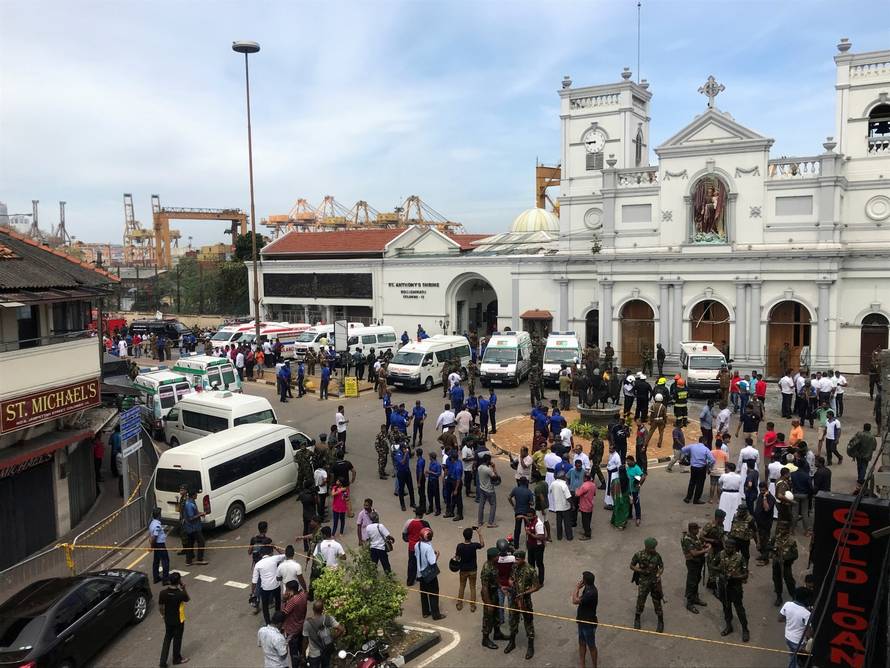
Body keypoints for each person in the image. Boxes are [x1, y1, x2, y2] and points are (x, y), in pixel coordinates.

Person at [504, 549, 540, 659]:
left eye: (517, 559)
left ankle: (530, 646)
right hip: (514, 597)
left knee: (528, 621)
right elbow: (510, 577)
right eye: (515, 559)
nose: (515, 561)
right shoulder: (514, 567)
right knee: (512, 620)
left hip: (525, 600)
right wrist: (510, 582)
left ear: (523, 559)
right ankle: (512, 641)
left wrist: (524, 593)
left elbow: (537, 586)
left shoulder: (530, 570)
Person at [715, 539, 750, 642]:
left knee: (739, 609)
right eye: (726, 547)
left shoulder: (740, 557)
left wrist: (735, 577)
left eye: (730, 547)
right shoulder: (720, 554)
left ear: (734, 548)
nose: (728, 549)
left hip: (735, 587)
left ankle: (745, 630)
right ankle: (728, 626)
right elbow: (712, 565)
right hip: (723, 586)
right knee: (726, 607)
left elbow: (745, 574)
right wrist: (720, 572)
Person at [630, 537, 664, 632]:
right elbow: (631, 566)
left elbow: (661, 566)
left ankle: (660, 621)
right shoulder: (639, 555)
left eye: (655, 547)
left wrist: (659, 574)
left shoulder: (657, 556)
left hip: (654, 581)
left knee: (657, 600)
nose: (654, 549)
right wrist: (640, 570)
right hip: (643, 582)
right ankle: (637, 618)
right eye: (652, 548)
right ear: (647, 547)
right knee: (641, 600)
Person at [158, 572, 190, 667]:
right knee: (177, 639)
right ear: (179, 581)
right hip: (178, 620)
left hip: (168, 620)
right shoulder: (180, 594)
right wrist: (183, 588)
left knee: (167, 639)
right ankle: (176, 659)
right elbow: (187, 598)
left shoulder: (162, 593)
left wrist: (163, 615)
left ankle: (162, 662)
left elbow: (160, 607)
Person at [302, 600, 344, 668]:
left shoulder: (307, 623)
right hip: (326, 650)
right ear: (322, 609)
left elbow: (305, 641)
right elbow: (341, 629)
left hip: (314, 654)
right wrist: (331, 638)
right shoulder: (328, 618)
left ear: (313, 609)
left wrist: (303, 654)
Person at [480, 547, 508, 649]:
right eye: (497, 556)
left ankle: (497, 633)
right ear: (493, 557)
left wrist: (501, 586)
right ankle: (485, 639)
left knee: (496, 614)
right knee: (488, 617)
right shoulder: (487, 568)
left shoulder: (493, 564)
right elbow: (484, 588)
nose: (499, 557)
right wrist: (488, 603)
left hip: (494, 592)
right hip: (488, 595)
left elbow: (496, 577)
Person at [416, 527, 446, 620]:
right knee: (433, 593)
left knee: (423, 593)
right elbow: (432, 562)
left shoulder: (417, 544)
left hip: (420, 573)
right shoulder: (428, 548)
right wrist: (436, 555)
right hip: (429, 574)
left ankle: (425, 612)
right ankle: (436, 615)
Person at [779, 587, 812, 668]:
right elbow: (808, 634)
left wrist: (792, 618)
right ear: (806, 599)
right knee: (801, 661)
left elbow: (780, 619)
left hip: (788, 637)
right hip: (799, 642)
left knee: (792, 656)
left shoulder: (787, 604)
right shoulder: (806, 614)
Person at [681, 522, 709, 614]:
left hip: (698, 562)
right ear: (692, 530)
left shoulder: (694, 537)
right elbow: (693, 553)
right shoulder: (687, 539)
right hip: (692, 563)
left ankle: (695, 598)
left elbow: (697, 546)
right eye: (697, 529)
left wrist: (703, 546)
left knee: (697, 580)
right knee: (692, 582)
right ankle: (690, 603)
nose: (698, 531)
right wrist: (706, 550)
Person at [454, 526, 484, 612]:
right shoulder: (474, 545)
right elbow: (482, 545)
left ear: (464, 536)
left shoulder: (459, 546)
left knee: (462, 586)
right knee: (473, 587)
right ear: (471, 536)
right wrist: (480, 534)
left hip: (463, 570)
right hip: (473, 570)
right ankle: (472, 606)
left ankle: (459, 604)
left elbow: (457, 557)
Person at [573, 571, 599, 668]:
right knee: (582, 643)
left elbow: (574, 600)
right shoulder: (588, 589)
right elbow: (580, 599)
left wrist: (576, 588)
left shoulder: (591, 592)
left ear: (585, 581)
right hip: (582, 621)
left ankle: (594, 666)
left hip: (588, 623)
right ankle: (582, 664)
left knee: (591, 646)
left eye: (582, 578)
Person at [771, 520, 798, 606]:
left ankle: (794, 597)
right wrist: (774, 550)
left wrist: (786, 558)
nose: (781, 531)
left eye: (783, 529)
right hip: (776, 563)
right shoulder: (776, 537)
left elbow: (795, 555)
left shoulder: (791, 541)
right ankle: (779, 596)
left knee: (789, 580)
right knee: (777, 580)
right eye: (780, 529)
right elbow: (769, 546)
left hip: (786, 564)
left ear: (787, 529)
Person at [282, 580, 308, 668]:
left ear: (291, 591)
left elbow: (283, 613)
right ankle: (303, 662)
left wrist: (284, 601)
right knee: (301, 648)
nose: (286, 592)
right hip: (301, 626)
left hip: (292, 630)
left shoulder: (292, 601)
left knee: (293, 652)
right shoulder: (303, 595)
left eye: (287, 590)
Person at [681, 440, 715, 504]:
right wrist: (709, 466)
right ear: (704, 442)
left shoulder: (692, 446)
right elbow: (712, 460)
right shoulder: (706, 449)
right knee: (700, 484)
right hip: (701, 468)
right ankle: (696, 499)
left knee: (692, 482)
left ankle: (688, 498)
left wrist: (688, 454)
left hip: (693, 467)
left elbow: (682, 449)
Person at [847, 422, 877, 487]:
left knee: (859, 466)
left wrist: (852, 451)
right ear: (870, 429)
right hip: (867, 455)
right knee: (864, 467)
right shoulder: (872, 437)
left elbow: (853, 442)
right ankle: (861, 479)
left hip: (859, 454)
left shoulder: (859, 434)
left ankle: (860, 479)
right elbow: (874, 447)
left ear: (864, 428)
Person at [182, 489, 207, 566]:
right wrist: (200, 515)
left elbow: (194, 513)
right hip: (194, 528)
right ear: (193, 495)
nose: (197, 495)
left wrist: (200, 513)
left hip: (190, 528)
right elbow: (191, 517)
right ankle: (199, 559)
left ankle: (188, 561)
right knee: (201, 542)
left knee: (190, 544)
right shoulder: (189, 504)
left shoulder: (191, 502)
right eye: (196, 494)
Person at [753, 482, 776, 565]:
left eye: (763, 490)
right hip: (758, 522)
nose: (762, 492)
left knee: (765, 541)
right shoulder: (760, 495)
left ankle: (765, 559)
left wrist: (765, 497)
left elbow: (766, 509)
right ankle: (762, 554)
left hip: (766, 523)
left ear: (767, 489)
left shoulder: (770, 498)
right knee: (758, 539)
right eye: (761, 490)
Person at [148, 507, 170, 585]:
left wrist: (152, 545)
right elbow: (154, 536)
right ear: (159, 515)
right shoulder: (157, 525)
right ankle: (165, 579)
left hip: (156, 544)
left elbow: (151, 536)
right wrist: (151, 546)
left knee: (156, 560)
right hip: (160, 544)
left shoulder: (152, 523)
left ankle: (156, 577)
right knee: (165, 561)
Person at [550, 471, 573, 540]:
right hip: (565, 507)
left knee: (559, 522)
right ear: (563, 477)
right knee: (567, 523)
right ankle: (569, 537)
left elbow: (550, 491)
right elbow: (568, 497)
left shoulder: (553, 483)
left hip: (557, 506)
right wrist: (572, 505)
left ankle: (559, 536)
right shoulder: (564, 485)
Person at [625, 454, 646, 527]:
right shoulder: (628, 467)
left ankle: (638, 518)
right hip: (629, 490)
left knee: (636, 504)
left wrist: (639, 485)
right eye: (627, 462)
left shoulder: (636, 468)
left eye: (628, 461)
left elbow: (643, 477)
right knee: (629, 503)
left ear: (632, 461)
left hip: (635, 490)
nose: (627, 463)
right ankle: (629, 515)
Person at [576, 471, 596, 540]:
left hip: (584, 505)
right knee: (588, 519)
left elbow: (577, 494)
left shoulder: (584, 486)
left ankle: (587, 535)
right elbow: (594, 494)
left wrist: (577, 489)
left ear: (585, 478)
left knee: (585, 521)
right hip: (590, 505)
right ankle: (587, 531)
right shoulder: (593, 484)